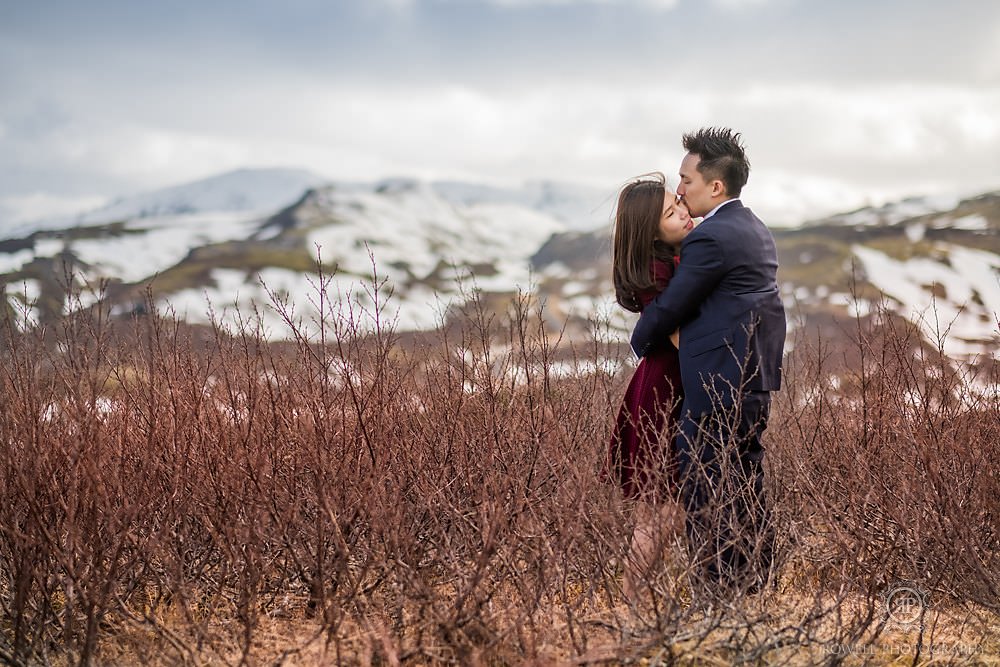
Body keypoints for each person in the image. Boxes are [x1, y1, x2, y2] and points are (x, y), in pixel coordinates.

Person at [629, 128, 786, 592]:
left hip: (717, 383)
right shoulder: (753, 226)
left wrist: (641, 339)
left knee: (706, 489)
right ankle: (755, 586)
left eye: (686, 180)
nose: (680, 189)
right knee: (744, 484)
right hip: (753, 379)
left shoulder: (710, 237)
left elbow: (673, 305)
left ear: (715, 186)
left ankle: (717, 595)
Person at [605, 173, 696, 600]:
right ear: (649, 230)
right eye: (671, 212)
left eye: (680, 202)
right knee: (661, 513)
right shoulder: (657, 270)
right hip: (663, 396)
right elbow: (679, 337)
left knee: (665, 511)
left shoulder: (675, 258)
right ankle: (632, 599)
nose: (683, 212)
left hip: (663, 388)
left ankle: (643, 596)